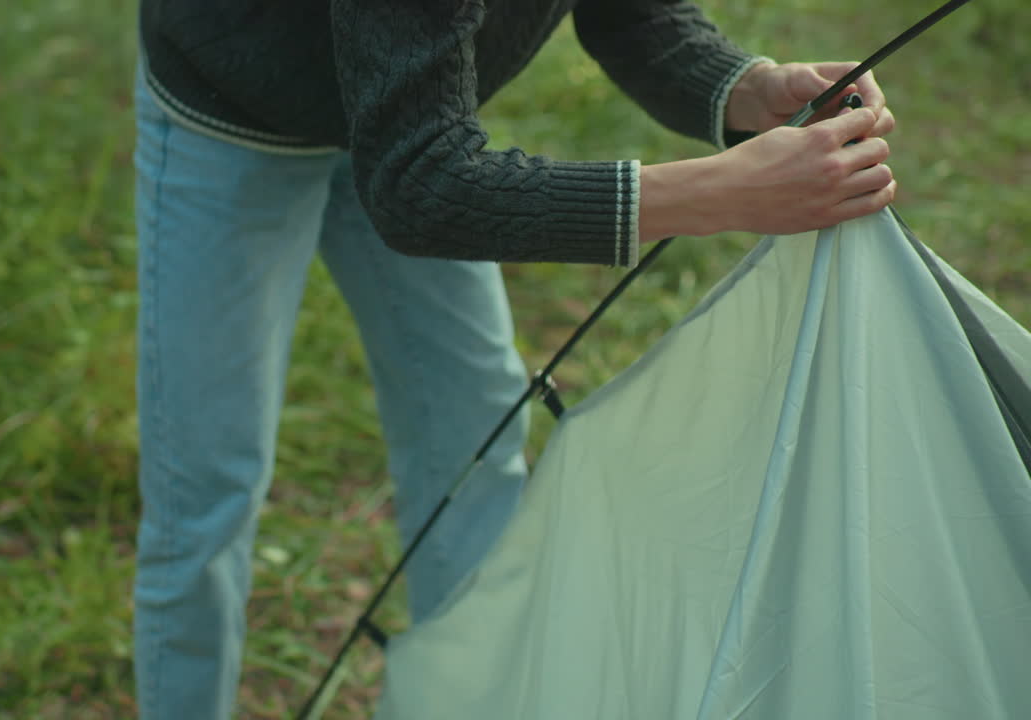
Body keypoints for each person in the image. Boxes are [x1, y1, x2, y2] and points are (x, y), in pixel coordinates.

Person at [130, 1, 896, 717]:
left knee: (475, 433)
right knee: (207, 485)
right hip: (237, 118)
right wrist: (716, 193)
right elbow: (420, 186)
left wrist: (745, 86)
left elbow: (627, 12)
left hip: (412, 112)